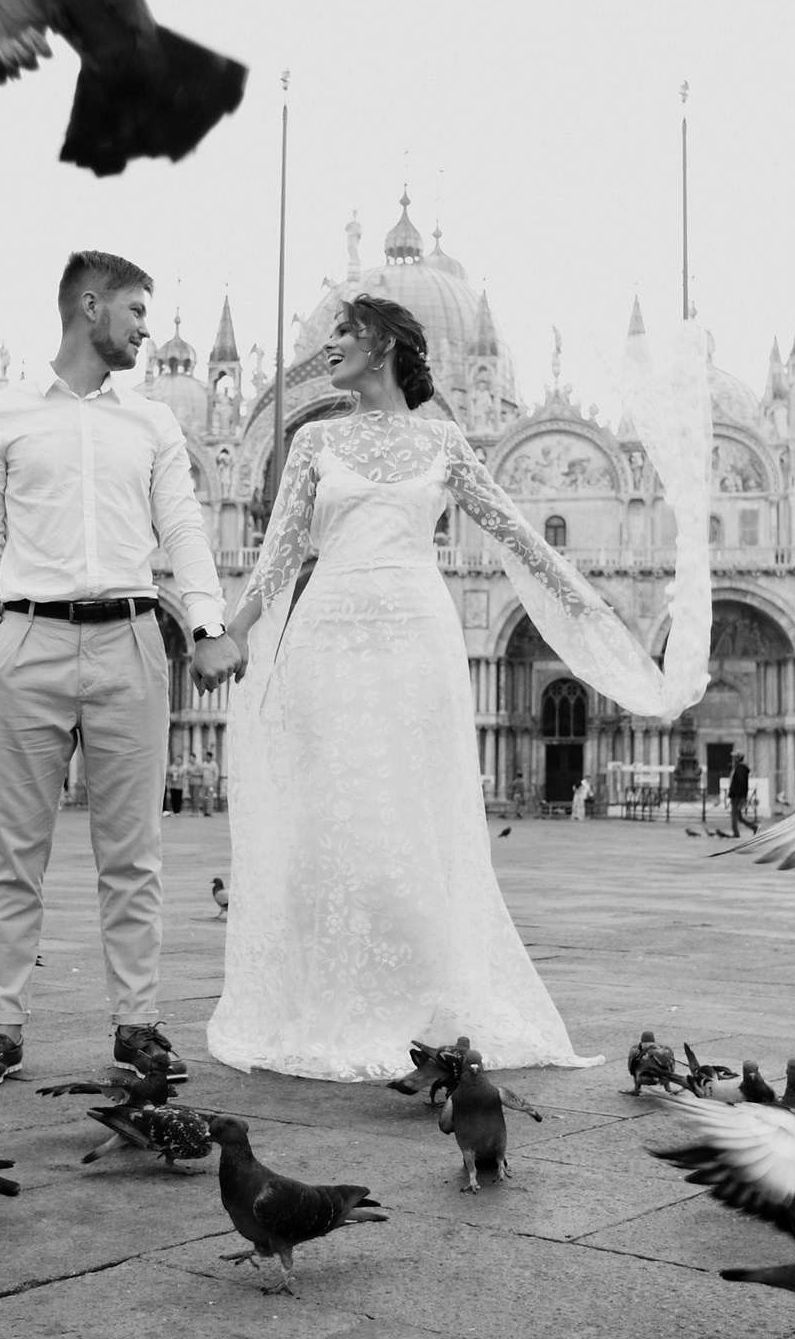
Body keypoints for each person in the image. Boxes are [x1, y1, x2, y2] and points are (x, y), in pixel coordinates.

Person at [208, 295, 702, 1081]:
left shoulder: (445, 441)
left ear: (389, 346)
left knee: (411, 814)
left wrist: (588, 604)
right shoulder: (313, 440)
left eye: (345, 332)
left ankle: (419, 1001)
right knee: (333, 812)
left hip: (416, 639)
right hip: (327, 632)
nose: (329, 343)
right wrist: (231, 631)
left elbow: (515, 531)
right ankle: (336, 996)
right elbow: (279, 556)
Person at [0, 250, 245, 1091]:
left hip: (129, 638)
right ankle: (1, 1026)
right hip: (27, 642)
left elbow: (184, 527)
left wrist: (207, 622)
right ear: (91, 307)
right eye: (136, 312)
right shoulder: (0, 415)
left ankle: (138, 1025)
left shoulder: (152, 423)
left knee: (135, 854)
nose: (147, 329)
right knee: (12, 851)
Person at [727, 753, 754, 836]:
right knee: (738, 815)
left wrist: (737, 794)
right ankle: (753, 827)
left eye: (735, 758)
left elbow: (741, 783)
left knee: (734, 814)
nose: (733, 759)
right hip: (737, 795)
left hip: (737, 796)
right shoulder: (738, 768)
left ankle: (735, 832)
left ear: (738, 759)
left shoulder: (740, 769)